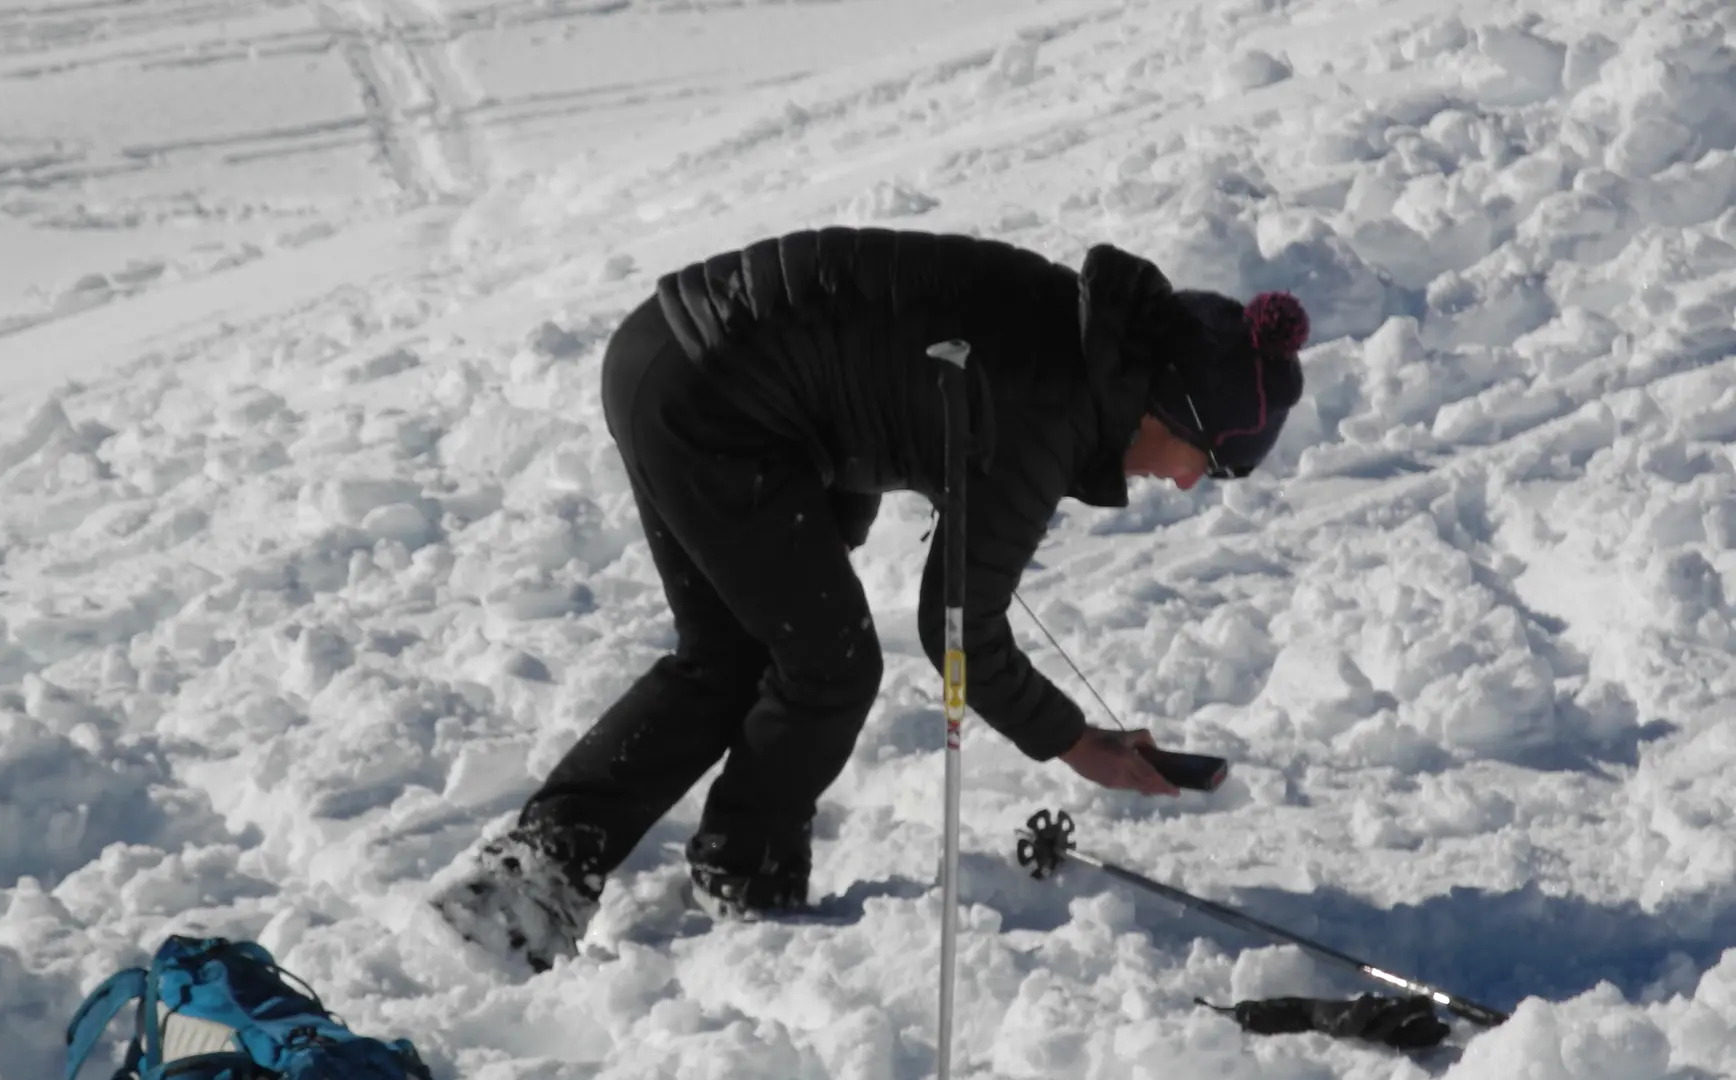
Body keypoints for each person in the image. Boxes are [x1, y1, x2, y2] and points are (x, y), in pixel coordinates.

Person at [431, 226, 1310, 970]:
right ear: (1169, 413)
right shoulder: (1053, 402)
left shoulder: (1077, 343)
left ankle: (528, 880)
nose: (1193, 486)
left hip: (672, 357)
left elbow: (877, 363)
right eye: (1212, 464)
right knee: (827, 665)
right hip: (714, 397)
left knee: (737, 651)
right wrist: (1077, 745)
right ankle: (746, 889)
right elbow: (959, 630)